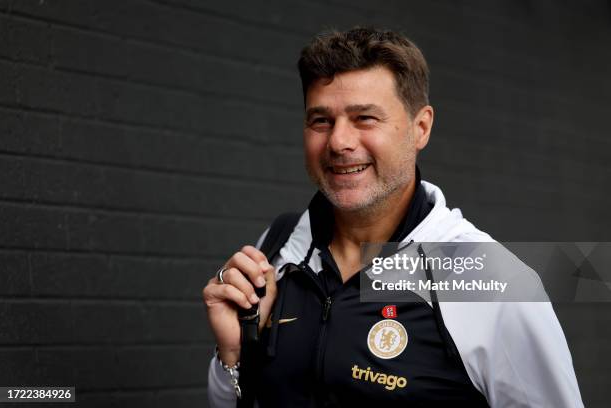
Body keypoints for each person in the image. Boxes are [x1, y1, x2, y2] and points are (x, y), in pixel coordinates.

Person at [203, 27, 583, 407]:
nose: (339, 142)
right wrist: (232, 357)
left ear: (421, 128)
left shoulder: (492, 280)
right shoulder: (278, 247)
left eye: (365, 118)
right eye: (321, 121)